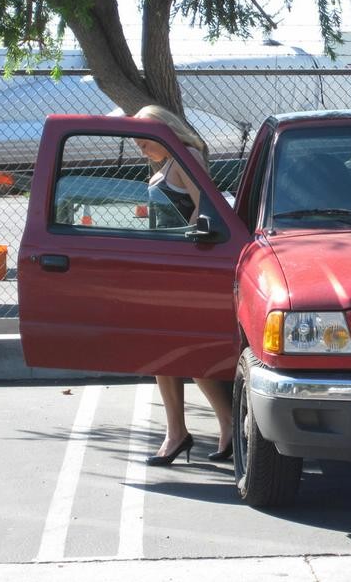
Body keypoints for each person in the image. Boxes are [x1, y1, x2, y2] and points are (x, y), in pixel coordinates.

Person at [133, 105, 234, 466]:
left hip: (182, 264)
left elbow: (202, 206)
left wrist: (180, 241)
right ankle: (178, 432)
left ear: (163, 130)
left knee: (186, 352)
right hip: (164, 266)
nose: (139, 148)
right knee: (166, 353)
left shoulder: (187, 156)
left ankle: (224, 425)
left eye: (143, 139)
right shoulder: (169, 161)